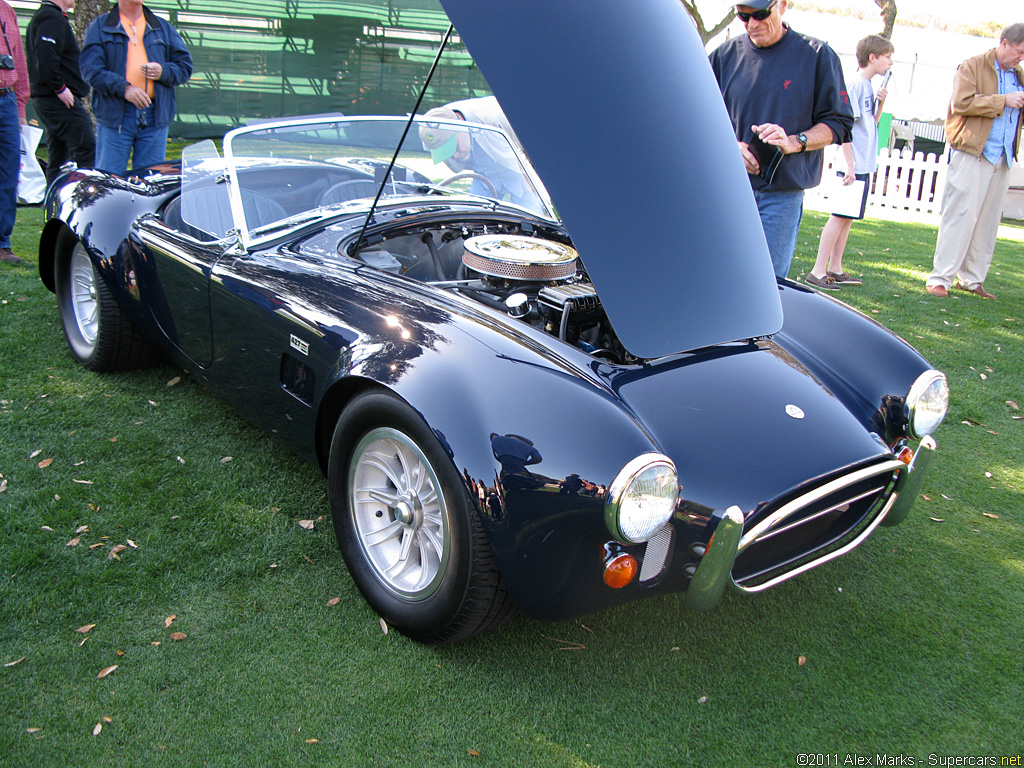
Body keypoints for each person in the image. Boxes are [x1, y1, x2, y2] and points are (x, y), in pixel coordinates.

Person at [709, 0, 853, 279]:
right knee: (717, 278)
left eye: (760, 14)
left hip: (781, 196)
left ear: (783, 5)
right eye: (743, 16)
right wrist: (729, 148)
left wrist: (794, 141)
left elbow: (839, 123)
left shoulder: (817, 56)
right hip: (727, 191)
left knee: (767, 285)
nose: (752, 24)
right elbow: (694, 117)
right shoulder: (724, 57)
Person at [925, 24, 1024, 300]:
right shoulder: (971, 66)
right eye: (1019, 51)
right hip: (973, 152)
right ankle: (939, 278)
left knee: (988, 222)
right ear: (1003, 43)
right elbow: (961, 103)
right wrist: (1004, 100)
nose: (1021, 58)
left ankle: (971, 280)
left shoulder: (1018, 75)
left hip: (1002, 156)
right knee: (960, 216)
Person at [807, 34, 893, 291]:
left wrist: (881, 104)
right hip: (851, 164)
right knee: (838, 216)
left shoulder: (867, 87)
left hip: (862, 162)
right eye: (887, 56)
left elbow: (870, 123)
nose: (890, 62)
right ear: (872, 57)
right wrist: (851, 165)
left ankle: (836, 268)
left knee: (848, 218)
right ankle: (817, 271)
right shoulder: (855, 84)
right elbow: (845, 128)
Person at [80, 0, 192, 174]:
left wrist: (163, 71)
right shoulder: (100, 27)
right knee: (109, 181)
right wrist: (124, 89)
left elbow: (185, 67)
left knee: (150, 182)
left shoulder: (163, 27)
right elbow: (91, 70)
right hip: (115, 116)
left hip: (155, 116)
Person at [418, 96, 542, 210]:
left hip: (518, 174)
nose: (454, 156)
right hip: (484, 177)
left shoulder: (497, 118)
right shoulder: (435, 126)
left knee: (530, 219)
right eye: (447, 153)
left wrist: (532, 181)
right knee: (468, 216)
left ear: (461, 127)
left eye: (454, 148)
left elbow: (535, 147)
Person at [27, 0, 95, 186]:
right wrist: (60, 88)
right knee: (86, 147)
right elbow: (45, 55)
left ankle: (55, 205)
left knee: (59, 156)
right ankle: (83, 200)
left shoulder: (50, 17)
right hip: (58, 98)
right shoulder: (51, 17)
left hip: (50, 98)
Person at [0, 0, 29, 265]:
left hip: (7, 99)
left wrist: (20, 105)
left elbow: (18, 57)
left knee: (9, 171)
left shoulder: (6, 9)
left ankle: (2, 243)